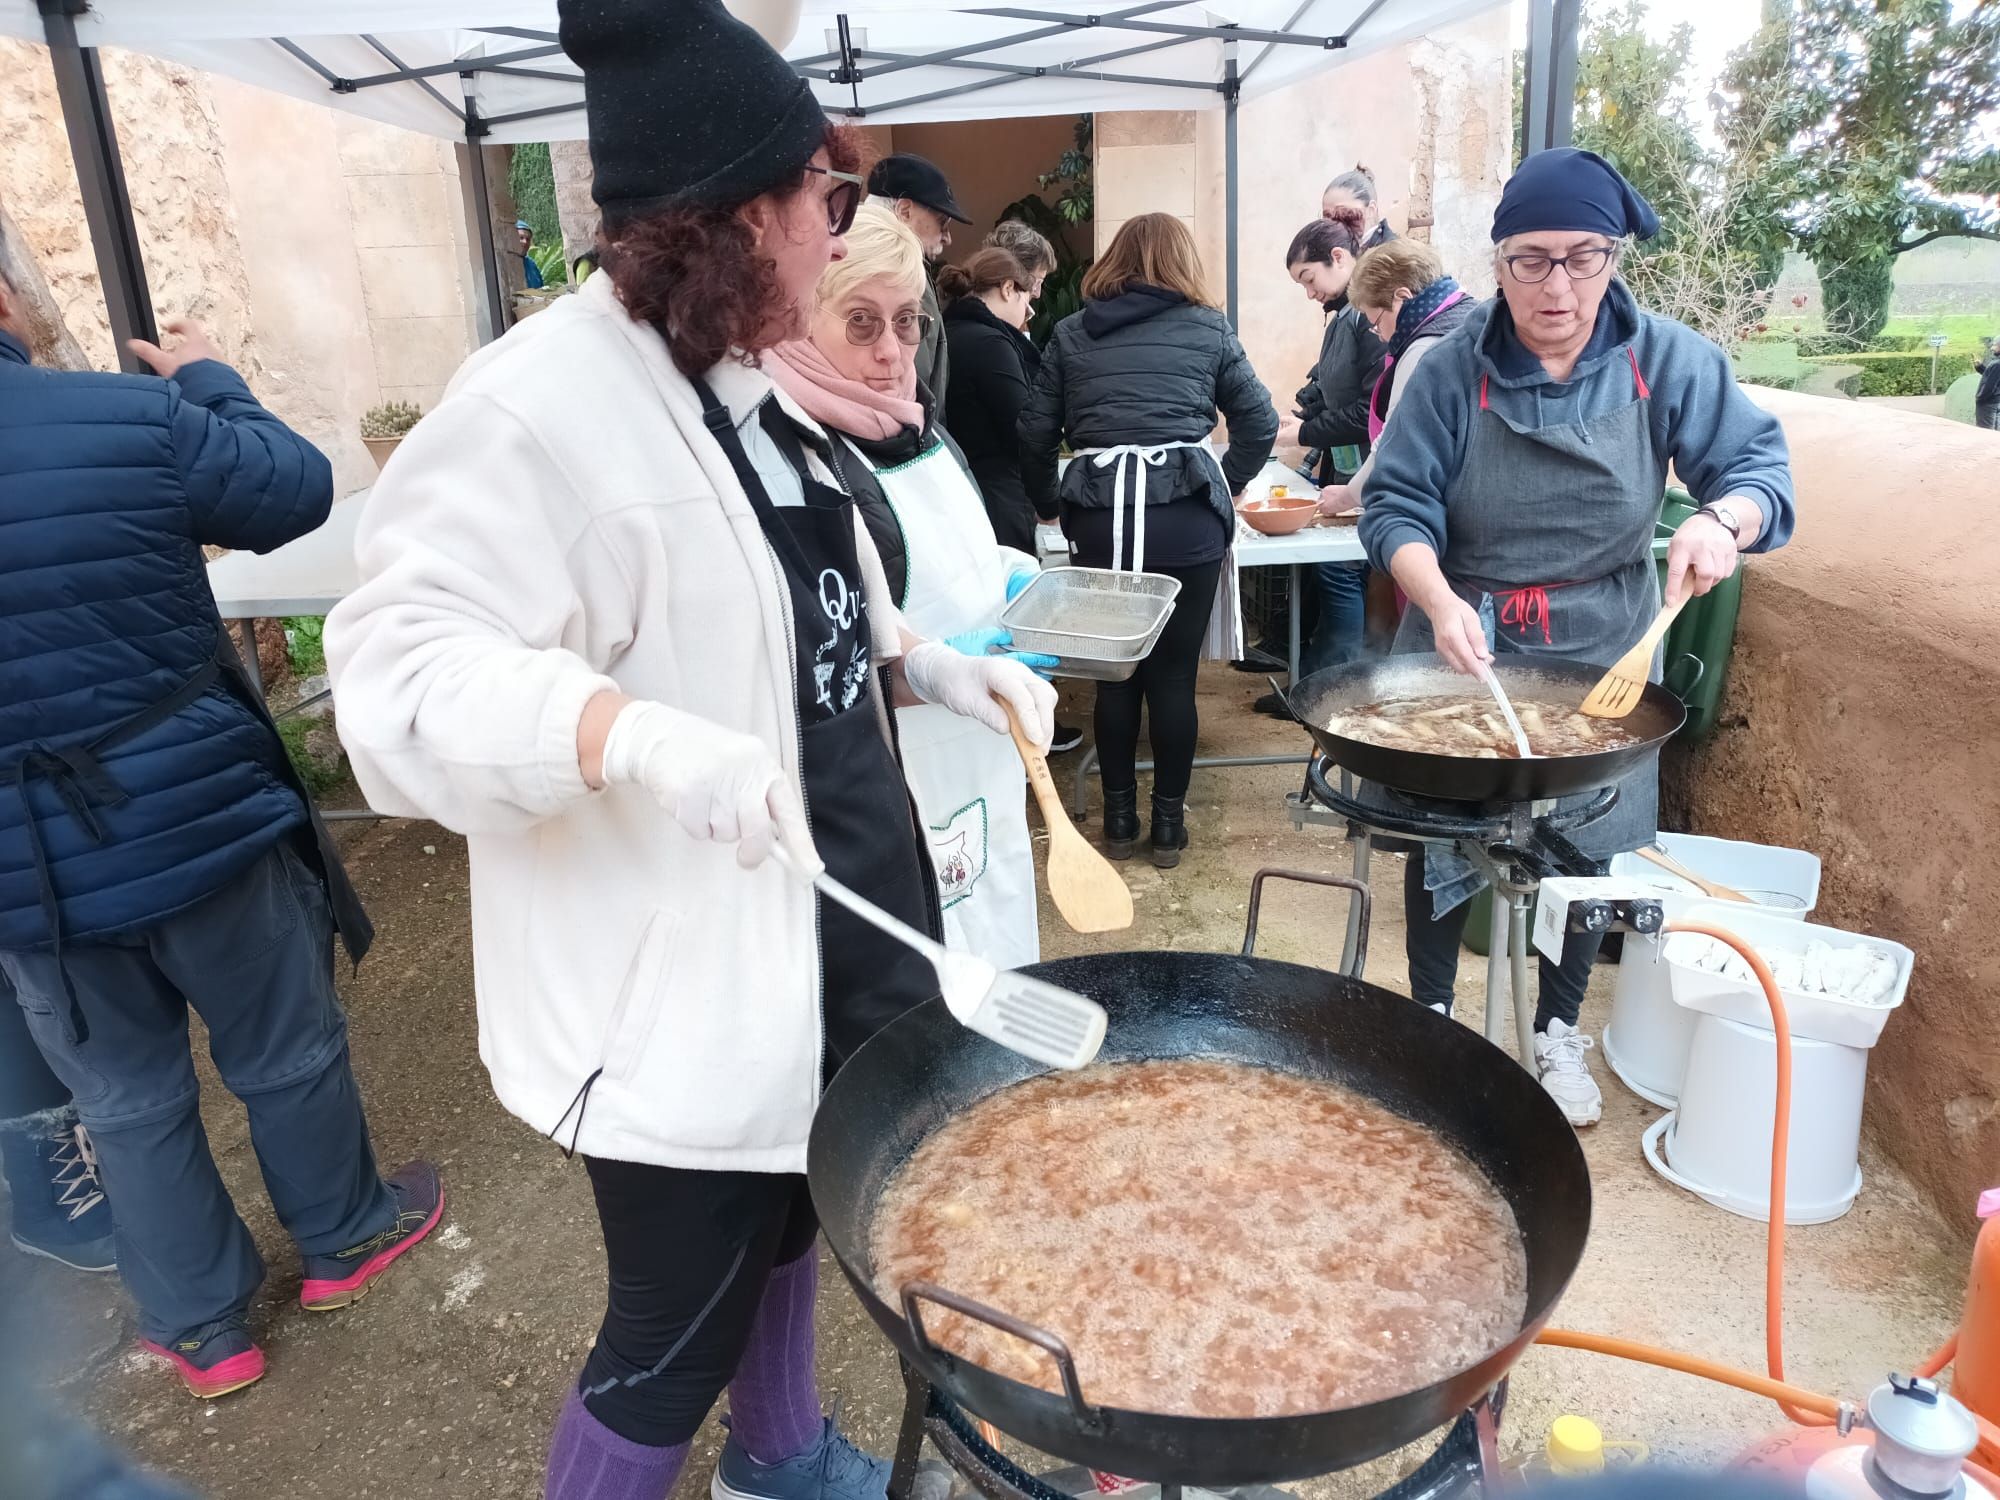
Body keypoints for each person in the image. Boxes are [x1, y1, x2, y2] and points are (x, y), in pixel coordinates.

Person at [323, 7, 1056, 1500]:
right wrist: (624, 735)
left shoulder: (739, 385)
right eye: (828, 201)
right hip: (677, 985)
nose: (837, 232)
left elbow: (800, 621)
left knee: (800, 1214)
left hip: (839, 927)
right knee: (672, 1329)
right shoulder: (537, 408)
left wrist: (936, 671)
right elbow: (394, 678)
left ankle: (780, 1459)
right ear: (743, 215)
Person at [0, 255, 439, 1399]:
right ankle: (344, 1238)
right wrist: (208, 380)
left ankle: (204, 1330)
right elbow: (291, 490)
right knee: (282, 1048)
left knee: (125, 1100)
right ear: (4, 302)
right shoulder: (122, 413)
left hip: (26, 876)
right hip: (192, 814)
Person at [1357, 147, 1795, 1127]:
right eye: (1530, 259)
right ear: (1499, 258)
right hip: (1457, 634)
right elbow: (1393, 508)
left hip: (1602, 642)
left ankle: (1557, 1026)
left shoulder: (1669, 362)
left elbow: (1758, 473)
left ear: (1613, 257)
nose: (1556, 285)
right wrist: (1432, 601)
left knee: (1589, 845)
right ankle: (1433, 1017)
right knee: (1442, 832)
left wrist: (1717, 523)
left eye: (1581, 257)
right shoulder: (1446, 369)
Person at [767, 207, 1054, 969]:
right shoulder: (789, 458)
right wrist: (942, 663)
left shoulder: (914, 421)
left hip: (981, 765)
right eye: (861, 323)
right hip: (897, 781)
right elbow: (814, 663)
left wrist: (1009, 575)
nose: (893, 353)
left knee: (996, 945)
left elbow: (949, 547)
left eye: (907, 323)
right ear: (797, 319)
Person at [1019, 213, 1278, 867]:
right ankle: (1168, 829)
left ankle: (1118, 824)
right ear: (1182, 262)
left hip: (1101, 522)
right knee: (1172, 679)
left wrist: (1052, 505)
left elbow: (1033, 432)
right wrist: (1225, 481)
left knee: (1114, 682)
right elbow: (1260, 419)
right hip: (1182, 519)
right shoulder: (1209, 329)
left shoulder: (1072, 333)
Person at [1258, 208, 1386, 714]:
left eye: (1308, 279)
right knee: (1330, 574)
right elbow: (1328, 383)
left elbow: (1368, 410)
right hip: (1340, 469)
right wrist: (1303, 408)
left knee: (1339, 576)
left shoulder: (1366, 317)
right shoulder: (1342, 316)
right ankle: (1316, 682)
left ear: (1339, 258)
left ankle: (1332, 692)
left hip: (1364, 475)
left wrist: (1305, 430)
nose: (1309, 292)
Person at [1320, 236, 1476, 509]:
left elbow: (1394, 437)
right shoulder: (1470, 315)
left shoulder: (1423, 348)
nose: (1380, 337)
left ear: (1402, 298)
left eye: (1377, 323)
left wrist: (1349, 496)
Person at [939, 245, 1043, 553]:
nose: (1027, 313)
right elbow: (1024, 428)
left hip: (960, 489)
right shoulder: (991, 343)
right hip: (1000, 500)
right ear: (1009, 288)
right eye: (1027, 301)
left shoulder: (950, 330)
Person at [865, 153, 970, 404]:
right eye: (942, 222)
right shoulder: (892, 271)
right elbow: (914, 377)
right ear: (904, 210)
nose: (947, 238)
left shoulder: (863, 259)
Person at [1322, 165, 1396, 251]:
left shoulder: (1392, 255)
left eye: (1344, 214)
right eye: (1327, 217)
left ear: (1371, 210)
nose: (1335, 225)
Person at [1976, 340, 2000, 429]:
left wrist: (1980, 398)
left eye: (1994, 345)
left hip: (1988, 403)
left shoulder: (1997, 364)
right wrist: (1980, 367)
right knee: (1995, 432)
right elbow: (1994, 377)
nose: (1991, 348)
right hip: (1996, 401)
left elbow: (1990, 386)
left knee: (1984, 432)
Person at [517, 220, 546, 289]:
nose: (525, 242)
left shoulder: (531, 264)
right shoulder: (506, 265)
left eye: (528, 239)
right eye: (521, 238)